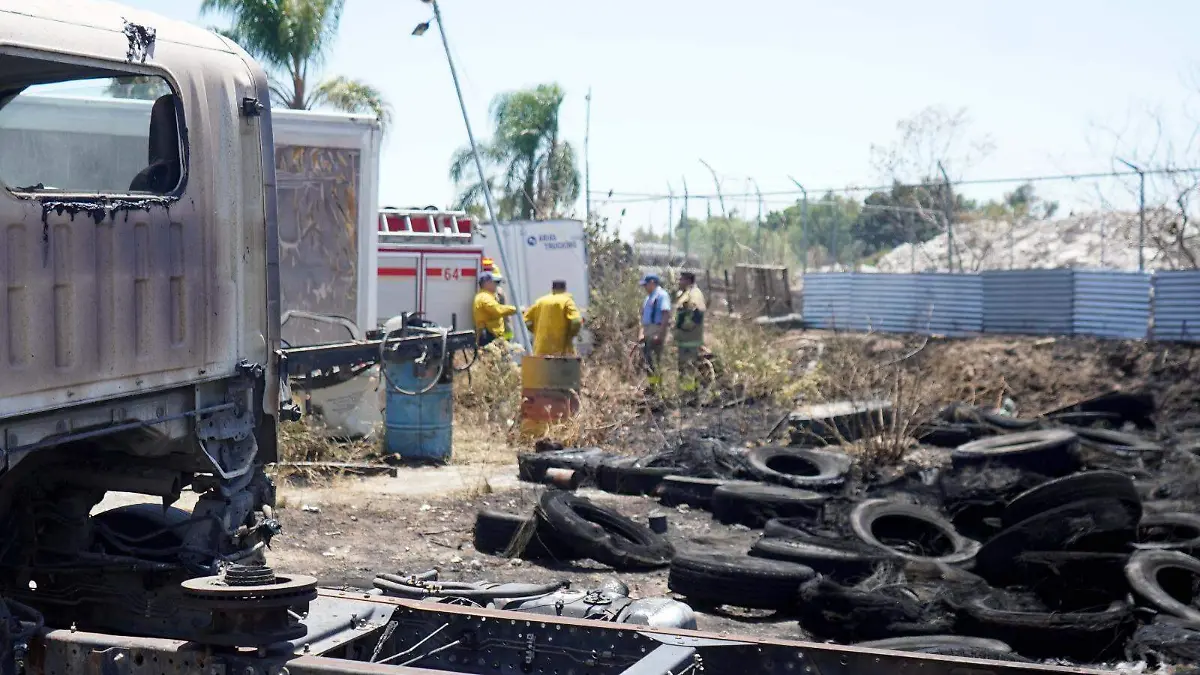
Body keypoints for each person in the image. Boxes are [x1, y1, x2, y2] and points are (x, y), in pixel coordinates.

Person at [523, 280, 583, 356]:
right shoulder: (567, 301)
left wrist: (536, 331)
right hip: (561, 350)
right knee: (563, 368)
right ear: (565, 289)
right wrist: (570, 335)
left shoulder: (540, 301)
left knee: (542, 368)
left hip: (541, 349)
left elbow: (526, 320)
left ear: (552, 289)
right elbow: (576, 321)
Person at [673, 271, 708, 397]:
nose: (679, 282)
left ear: (687, 280)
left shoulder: (695, 294)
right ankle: (686, 392)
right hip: (684, 339)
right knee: (683, 367)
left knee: (689, 367)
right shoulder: (685, 293)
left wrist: (687, 327)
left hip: (690, 339)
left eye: (681, 279)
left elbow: (698, 312)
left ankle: (690, 395)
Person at [638, 273, 672, 393]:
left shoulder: (662, 295)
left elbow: (665, 315)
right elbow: (643, 317)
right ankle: (652, 386)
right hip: (648, 331)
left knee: (654, 361)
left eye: (646, 285)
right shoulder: (648, 298)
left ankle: (658, 389)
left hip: (656, 331)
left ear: (652, 283)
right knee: (648, 361)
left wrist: (660, 334)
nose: (644, 288)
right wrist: (641, 333)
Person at [473, 271, 517, 347]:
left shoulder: (489, 296)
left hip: (494, 336)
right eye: (495, 282)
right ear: (486, 283)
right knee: (490, 358)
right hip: (488, 337)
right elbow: (497, 310)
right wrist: (516, 309)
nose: (497, 286)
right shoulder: (484, 297)